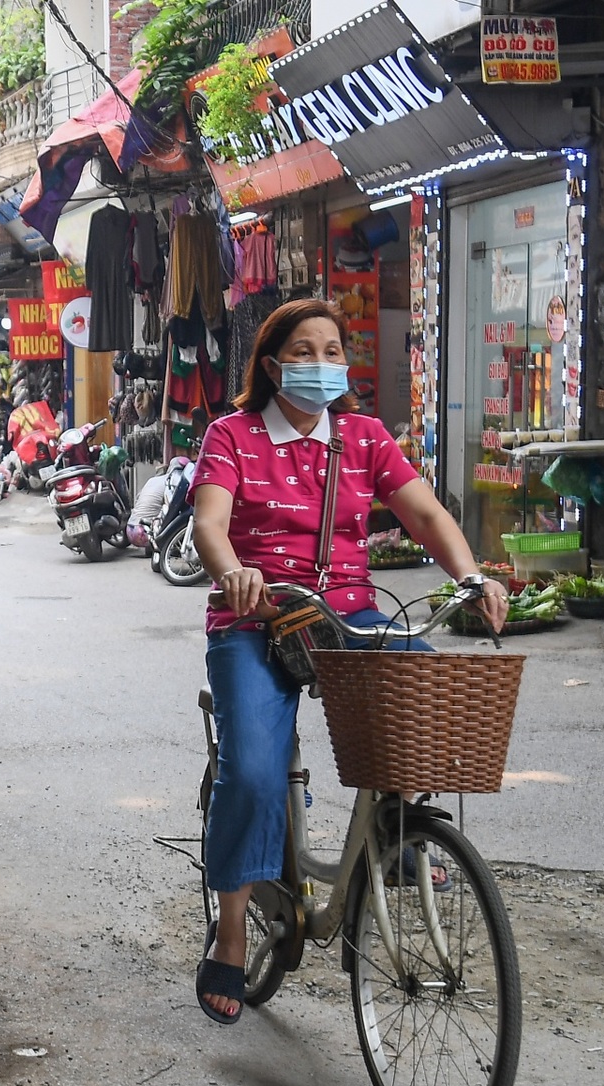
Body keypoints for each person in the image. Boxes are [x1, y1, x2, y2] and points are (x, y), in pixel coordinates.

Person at [188, 298, 508, 1025]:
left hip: (352, 613)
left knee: (427, 701)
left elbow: (426, 514)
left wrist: (471, 576)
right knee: (257, 772)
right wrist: (235, 570)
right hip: (258, 615)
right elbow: (210, 523)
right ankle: (233, 930)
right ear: (272, 365)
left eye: (333, 349)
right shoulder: (232, 435)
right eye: (304, 351)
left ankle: (397, 839)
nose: (321, 363)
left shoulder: (364, 437)